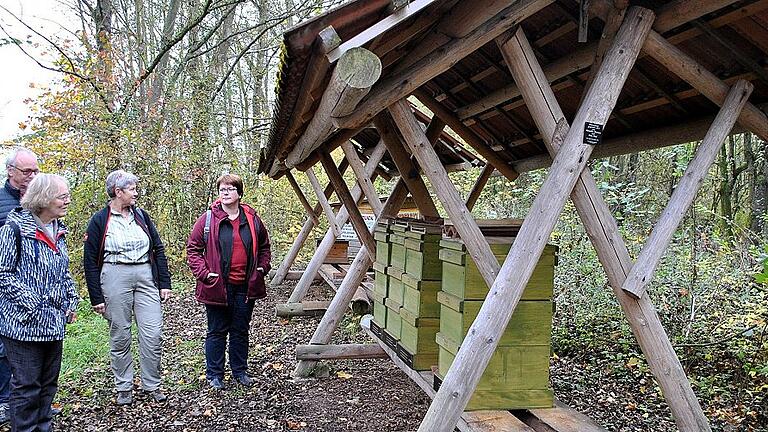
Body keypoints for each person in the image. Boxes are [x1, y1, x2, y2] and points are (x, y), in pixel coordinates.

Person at [83, 170, 171, 406]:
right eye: (132, 189)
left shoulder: (141, 215)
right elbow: (90, 260)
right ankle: (123, 386)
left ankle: (152, 383)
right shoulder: (100, 220)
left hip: (144, 274)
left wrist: (164, 282)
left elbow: (158, 249)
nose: (136, 193)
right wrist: (96, 296)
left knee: (152, 333)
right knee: (120, 333)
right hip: (114, 275)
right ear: (117, 192)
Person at [0, 173, 78, 432]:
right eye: (62, 196)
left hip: (53, 324)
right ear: (44, 199)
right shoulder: (14, 230)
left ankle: (43, 427)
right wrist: (33, 303)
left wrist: (71, 300)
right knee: (26, 387)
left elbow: (63, 271)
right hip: (22, 326)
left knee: (47, 386)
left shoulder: (59, 231)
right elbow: (3, 273)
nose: (68, 201)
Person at [186, 174, 271, 390]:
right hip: (217, 286)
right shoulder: (208, 219)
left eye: (230, 189)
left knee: (240, 329)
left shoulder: (252, 219)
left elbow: (264, 247)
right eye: (222, 189)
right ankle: (214, 374)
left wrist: (261, 268)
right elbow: (193, 249)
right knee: (216, 330)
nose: (225, 192)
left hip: (245, 285)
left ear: (239, 193)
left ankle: (240, 371)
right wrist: (204, 274)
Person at [0, 147, 39, 425]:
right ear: (10, 171)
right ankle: (4, 402)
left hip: (34, 288)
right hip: (5, 284)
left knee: (30, 345)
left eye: (35, 171)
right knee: (3, 348)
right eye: (27, 171)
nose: (32, 176)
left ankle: (29, 402)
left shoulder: (39, 201)